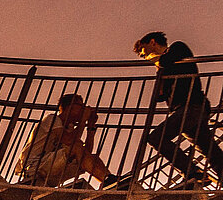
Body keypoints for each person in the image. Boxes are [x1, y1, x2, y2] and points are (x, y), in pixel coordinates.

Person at [135, 32, 223, 187]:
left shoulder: (177, 48)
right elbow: (159, 96)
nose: (144, 55)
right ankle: (201, 174)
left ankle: (192, 172)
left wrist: (158, 63)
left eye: (144, 50)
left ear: (153, 42)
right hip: (183, 109)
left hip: (193, 106)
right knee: (208, 148)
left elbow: (166, 60)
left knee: (157, 138)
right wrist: (159, 75)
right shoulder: (162, 67)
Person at [15, 94, 114, 189]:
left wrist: (91, 126)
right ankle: (109, 181)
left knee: (92, 157)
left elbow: (86, 152)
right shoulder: (52, 119)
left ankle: (108, 180)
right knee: (76, 148)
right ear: (69, 107)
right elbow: (69, 140)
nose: (83, 109)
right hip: (33, 167)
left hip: (50, 167)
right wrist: (83, 120)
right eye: (80, 105)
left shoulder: (69, 129)